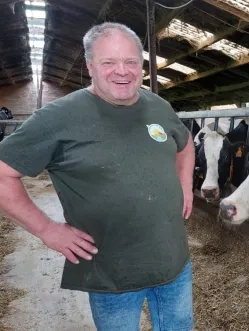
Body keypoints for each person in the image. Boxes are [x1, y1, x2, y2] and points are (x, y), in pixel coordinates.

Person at [0, 22, 195, 330]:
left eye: (131, 62)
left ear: (141, 65)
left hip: (175, 264)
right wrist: (47, 229)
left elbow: (185, 145)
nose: (123, 71)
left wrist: (186, 186)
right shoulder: (57, 117)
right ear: (90, 65)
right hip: (111, 274)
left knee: (180, 325)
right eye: (109, 62)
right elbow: (2, 175)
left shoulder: (159, 106)